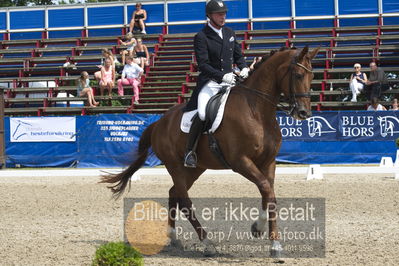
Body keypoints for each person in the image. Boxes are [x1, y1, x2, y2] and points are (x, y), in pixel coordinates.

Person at [183, 0, 249, 168]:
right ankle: (190, 151)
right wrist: (222, 76)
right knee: (203, 114)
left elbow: (238, 56)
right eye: (219, 14)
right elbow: (203, 65)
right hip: (211, 83)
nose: (223, 17)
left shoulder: (229, 32)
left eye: (224, 13)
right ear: (210, 16)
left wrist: (244, 67)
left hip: (231, 82)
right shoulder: (202, 36)